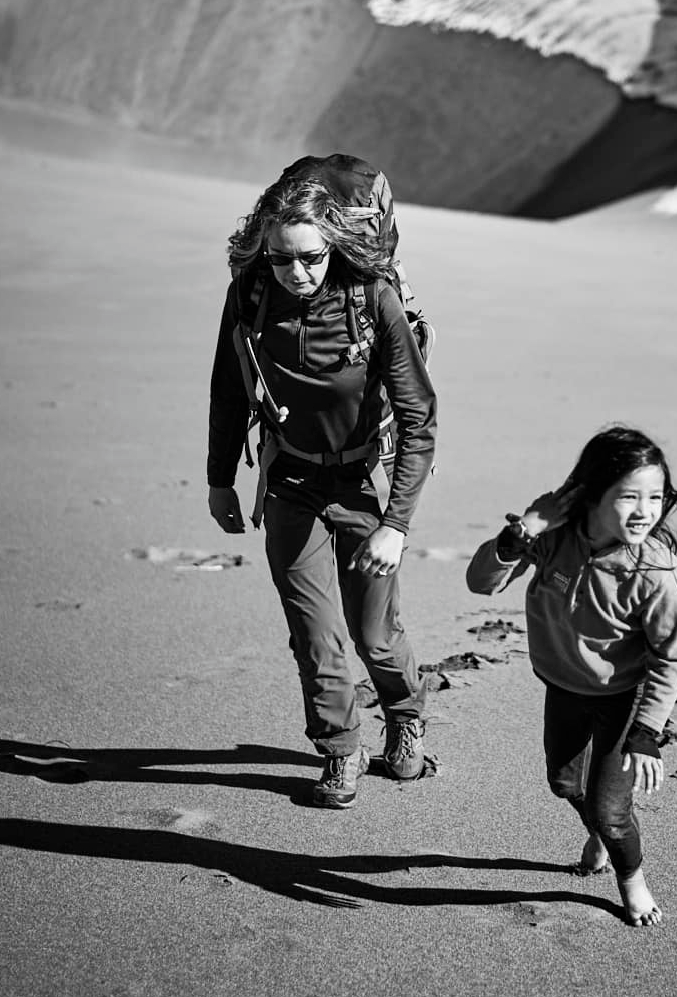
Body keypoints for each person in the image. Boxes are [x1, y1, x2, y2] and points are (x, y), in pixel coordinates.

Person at [206, 174, 437, 809]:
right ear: (265, 252)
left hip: (362, 483)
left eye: (311, 256)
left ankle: (405, 714)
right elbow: (228, 387)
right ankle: (339, 750)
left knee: (375, 634)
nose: (297, 271)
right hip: (289, 483)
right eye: (282, 258)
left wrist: (397, 523)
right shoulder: (250, 292)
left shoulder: (372, 298)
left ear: (333, 244)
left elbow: (419, 417)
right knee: (315, 635)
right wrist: (220, 478)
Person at [465, 426, 677, 926]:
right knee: (564, 784)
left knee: (613, 810)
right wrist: (524, 529)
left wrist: (647, 734)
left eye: (655, 497)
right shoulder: (555, 539)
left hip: (623, 699)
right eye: (628, 497)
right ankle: (600, 832)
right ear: (590, 496)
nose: (645, 511)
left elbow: (671, 659)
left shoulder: (653, 569)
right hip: (562, 685)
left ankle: (631, 879)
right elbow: (481, 583)